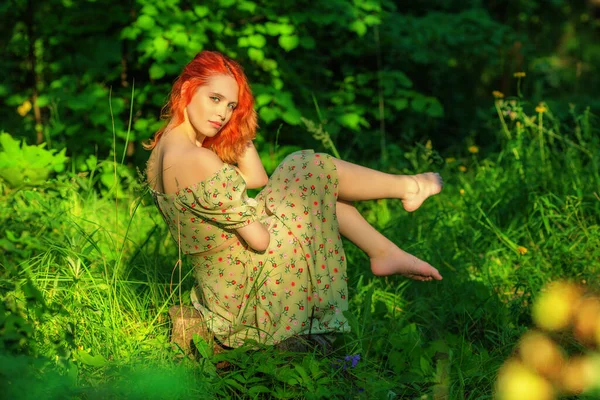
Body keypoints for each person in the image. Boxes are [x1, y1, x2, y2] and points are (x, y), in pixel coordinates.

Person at [145, 51, 443, 348]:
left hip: (222, 291)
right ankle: (408, 189)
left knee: (310, 185)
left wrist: (239, 127)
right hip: (249, 296)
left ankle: (385, 248)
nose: (222, 114)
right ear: (187, 89)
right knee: (307, 167)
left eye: (231, 106)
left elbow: (257, 178)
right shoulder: (198, 159)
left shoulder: (161, 152)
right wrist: (270, 214)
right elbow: (259, 241)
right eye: (215, 99)